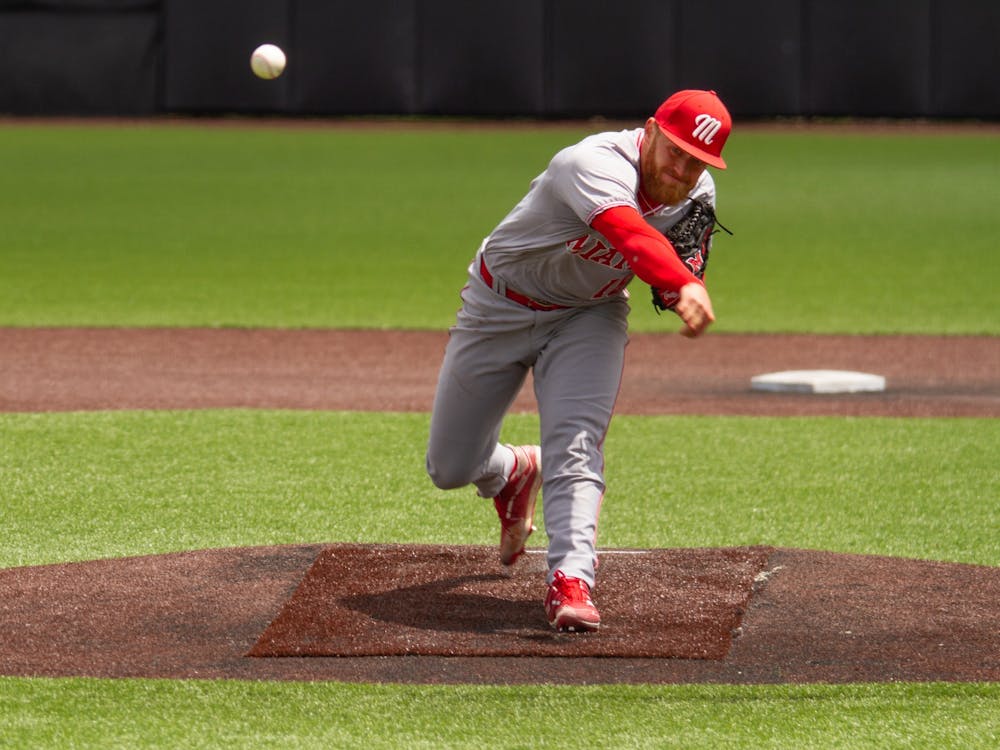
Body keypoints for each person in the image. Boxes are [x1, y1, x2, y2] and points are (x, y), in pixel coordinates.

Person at [426, 90, 732, 633]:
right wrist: (680, 281)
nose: (683, 169)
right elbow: (629, 233)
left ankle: (571, 581)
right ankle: (512, 471)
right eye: (677, 151)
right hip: (499, 304)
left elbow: (676, 253)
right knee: (449, 468)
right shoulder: (588, 163)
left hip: (589, 315)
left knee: (575, 443)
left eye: (698, 162)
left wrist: (684, 281)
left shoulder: (698, 192)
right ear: (651, 131)